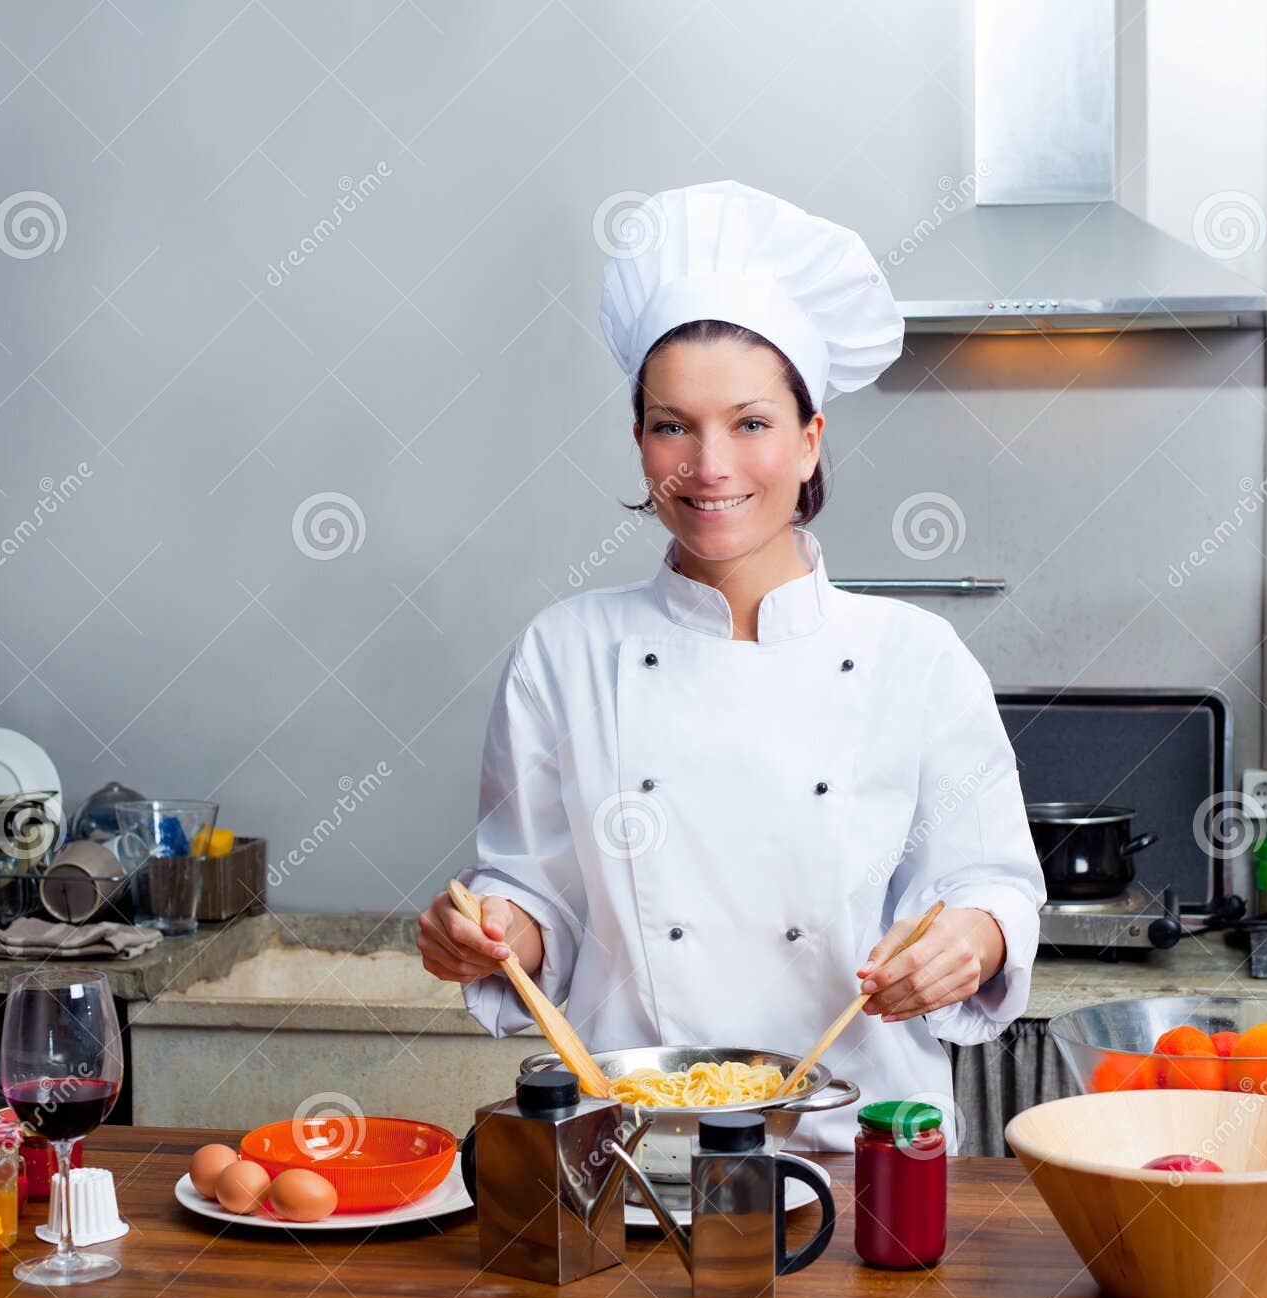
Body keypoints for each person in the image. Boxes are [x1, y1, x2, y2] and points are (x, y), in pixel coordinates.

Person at [417, 181, 1045, 1149]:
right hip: (634, 1151)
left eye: (750, 423)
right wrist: (491, 932)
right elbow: (542, 902)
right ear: (639, 443)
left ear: (809, 440)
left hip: (863, 1149)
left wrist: (974, 939)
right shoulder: (564, 651)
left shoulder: (917, 657)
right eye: (673, 424)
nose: (708, 465)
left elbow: (990, 881)